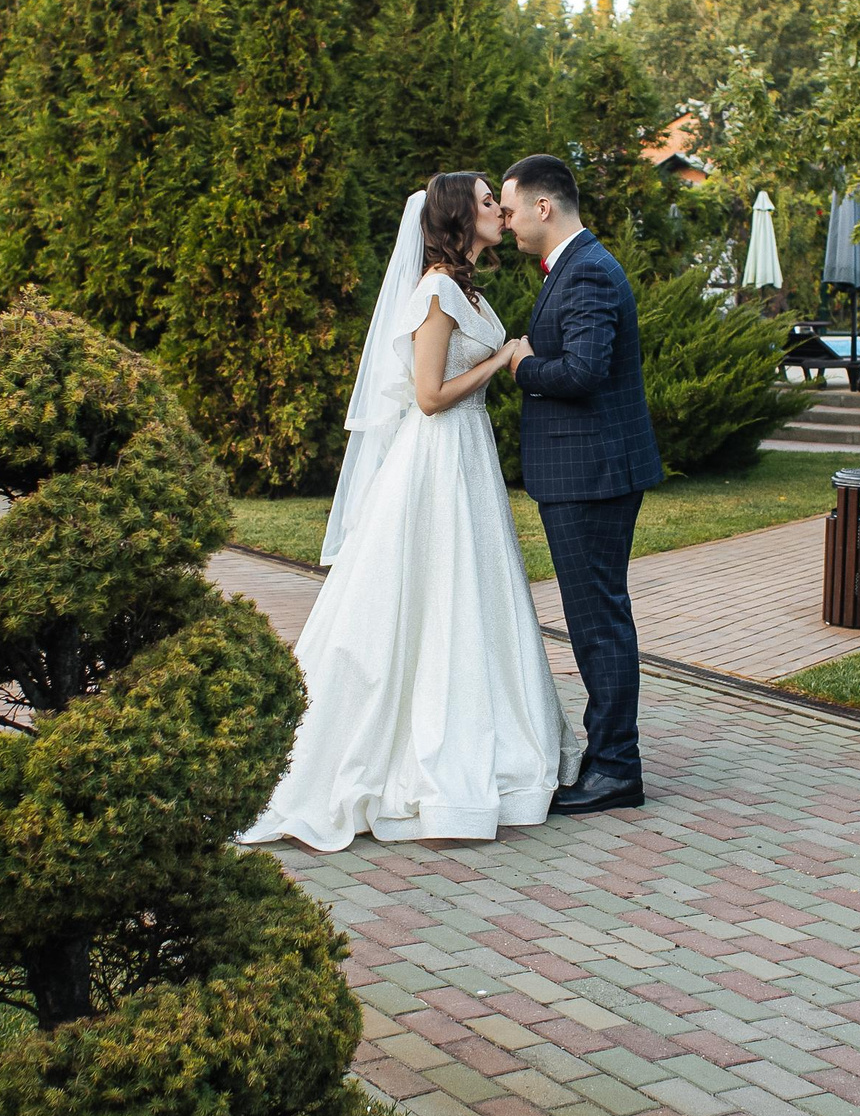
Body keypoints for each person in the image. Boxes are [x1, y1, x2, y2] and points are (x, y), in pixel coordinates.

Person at [239, 173, 581, 850]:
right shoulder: (435, 291)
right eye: (488, 201)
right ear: (459, 217)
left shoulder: (467, 290)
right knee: (428, 594)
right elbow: (428, 396)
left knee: (470, 597)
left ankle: (493, 735)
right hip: (436, 459)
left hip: (467, 458)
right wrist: (504, 359)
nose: (500, 209)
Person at [498, 152, 663, 814]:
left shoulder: (588, 270)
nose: (506, 224)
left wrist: (521, 365)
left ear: (544, 206)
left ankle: (617, 768)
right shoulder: (577, 265)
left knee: (599, 623)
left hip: (591, 475)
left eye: (510, 210)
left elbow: (585, 371)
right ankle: (609, 755)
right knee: (599, 618)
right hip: (587, 471)